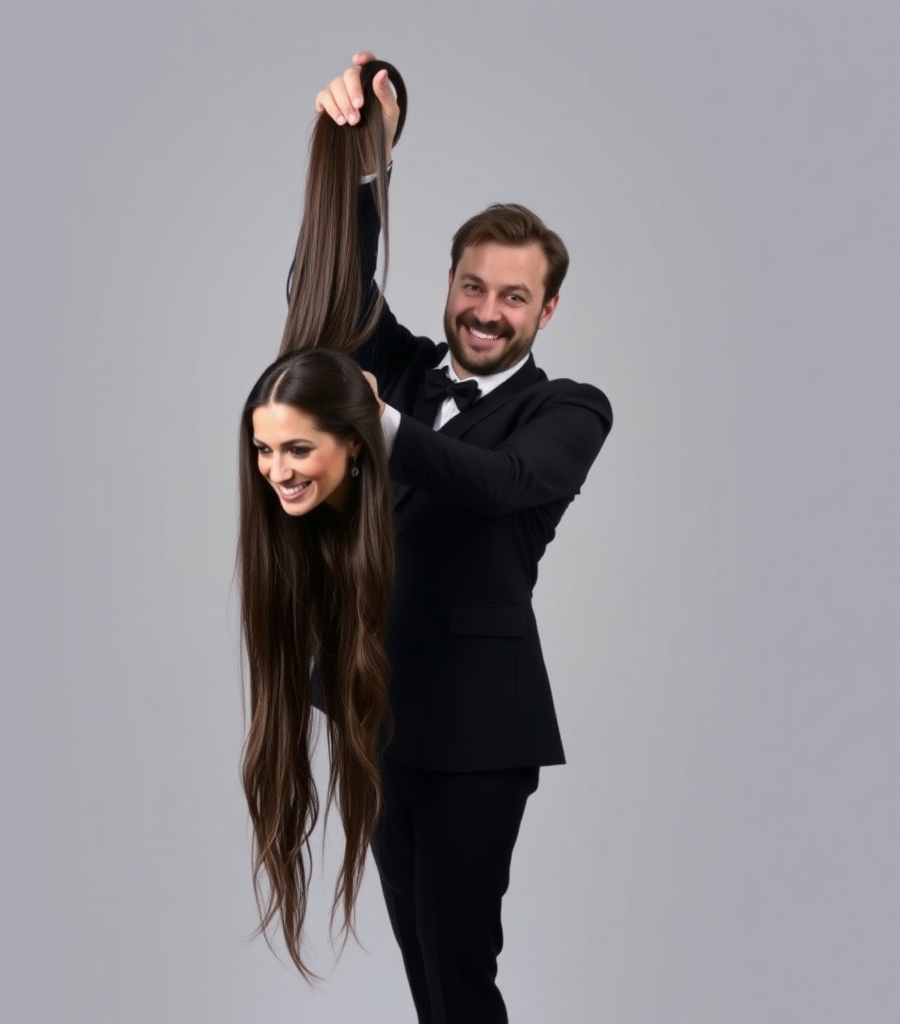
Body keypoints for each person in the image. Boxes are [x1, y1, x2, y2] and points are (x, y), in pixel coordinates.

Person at [312, 52, 614, 1023]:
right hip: (379, 717)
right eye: (473, 286)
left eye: (513, 297)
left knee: (459, 965)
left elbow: (501, 485)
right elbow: (328, 286)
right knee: (421, 972)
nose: (486, 311)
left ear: (547, 309)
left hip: (480, 735)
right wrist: (368, 165)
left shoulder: (567, 410)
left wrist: (381, 428)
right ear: (450, 281)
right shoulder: (402, 367)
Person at [238, 348, 394, 978]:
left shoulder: (408, 527)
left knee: (454, 975)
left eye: (298, 450)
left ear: (355, 444)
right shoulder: (299, 539)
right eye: (264, 449)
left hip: (460, 752)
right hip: (394, 749)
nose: (277, 471)